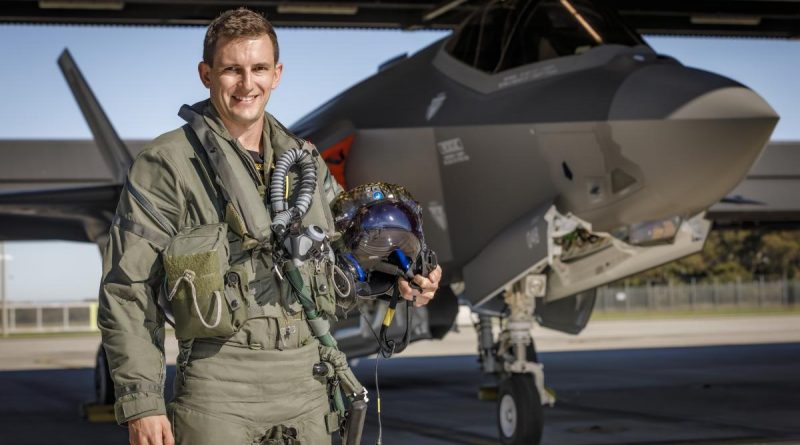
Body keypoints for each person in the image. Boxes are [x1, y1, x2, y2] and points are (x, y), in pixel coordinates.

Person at [98, 8, 442, 445]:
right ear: (206, 74)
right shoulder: (166, 165)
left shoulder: (306, 163)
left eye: (259, 68)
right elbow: (128, 289)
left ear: (276, 74)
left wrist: (400, 282)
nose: (247, 84)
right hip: (220, 388)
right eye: (231, 70)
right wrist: (142, 402)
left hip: (308, 384)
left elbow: (340, 262)